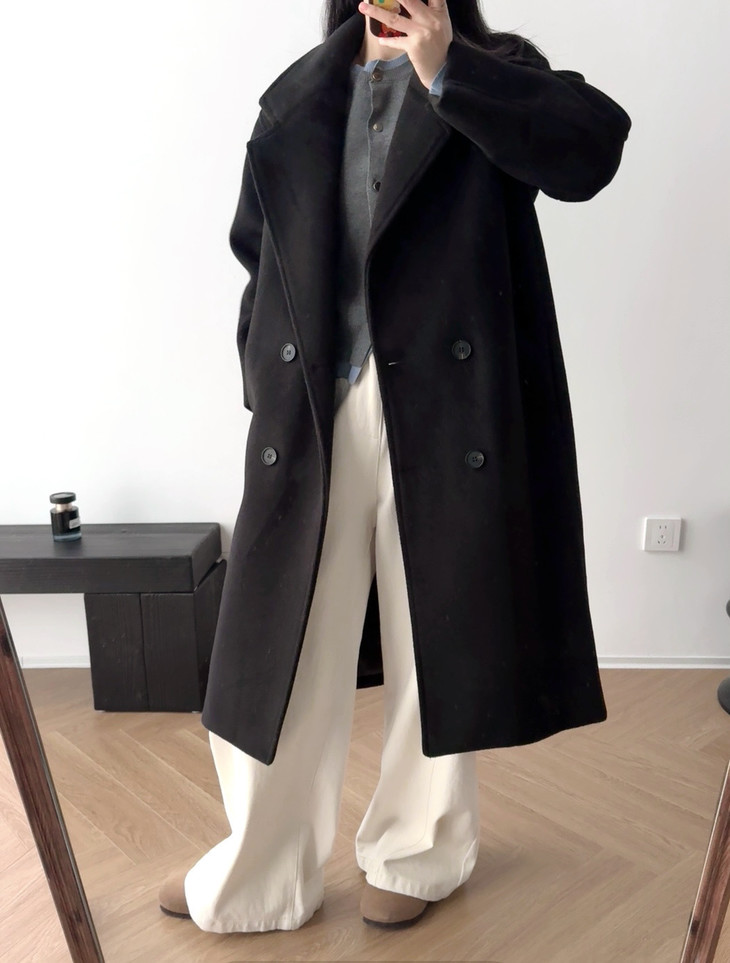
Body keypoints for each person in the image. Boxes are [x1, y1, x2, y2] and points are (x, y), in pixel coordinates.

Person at [159, 0, 632, 934]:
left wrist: (450, 69)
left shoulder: (495, 68)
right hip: (318, 406)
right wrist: (262, 375)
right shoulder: (303, 94)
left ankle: (419, 852)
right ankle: (260, 867)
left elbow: (591, 152)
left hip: (449, 411)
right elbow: (258, 253)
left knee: (436, 632)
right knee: (280, 642)